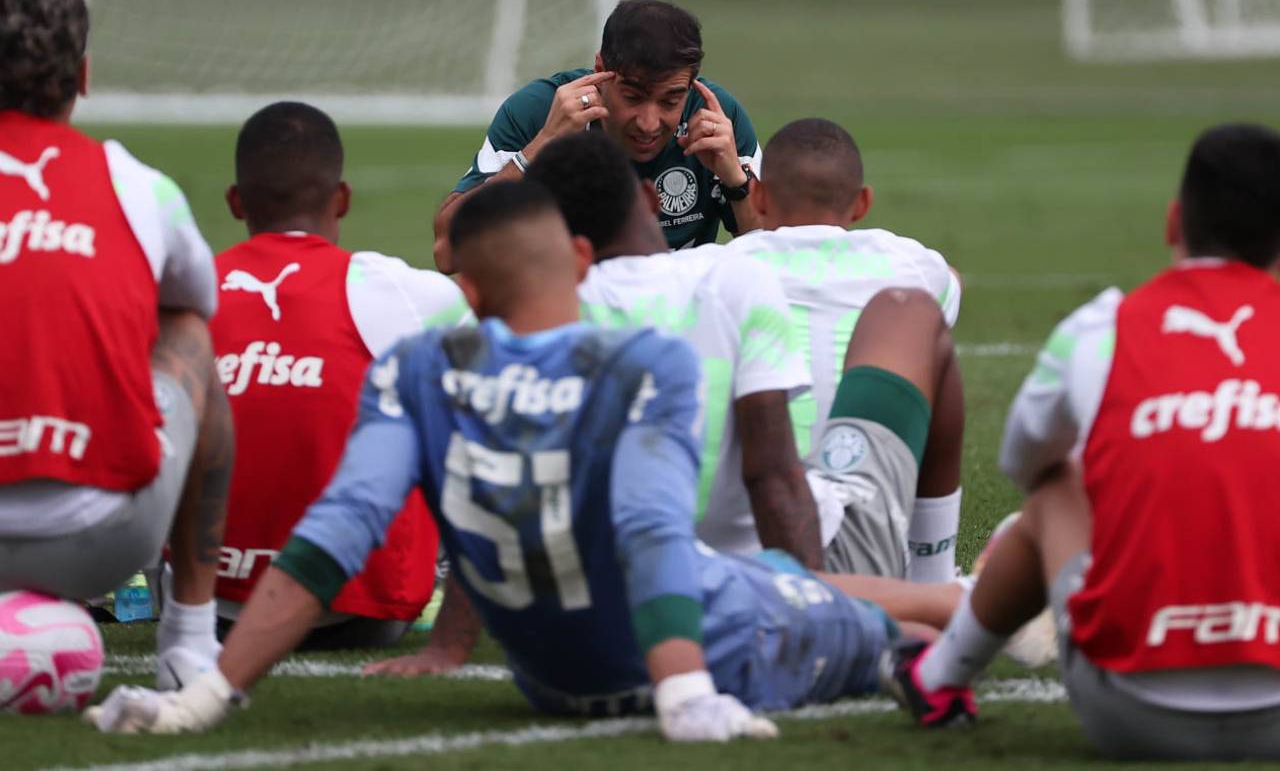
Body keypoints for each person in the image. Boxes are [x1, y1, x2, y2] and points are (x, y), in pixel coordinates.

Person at [86, 181, 965, 738]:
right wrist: (686, 690)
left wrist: (203, 694)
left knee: (773, 580)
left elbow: (336, 530)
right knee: (911, 635)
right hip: (708, 639)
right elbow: (651, 528)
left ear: (466, 291)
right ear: (581, 260)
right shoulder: (639, 363)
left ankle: (958, 596)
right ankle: (973, 605)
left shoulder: (422, 367)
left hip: (553, 676)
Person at [884, 123, 1280, 760]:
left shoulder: (1104, 326)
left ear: (1175, 221)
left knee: (1056, 486)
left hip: (1130, 712)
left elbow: (1024, 461)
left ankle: (938, 678)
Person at [371, 131, 817, 677]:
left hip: (578, 627)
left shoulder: (523, 312)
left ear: (552, 230)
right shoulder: (736, 277)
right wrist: (812, 612)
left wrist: (448, 648)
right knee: (905, 618)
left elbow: (492, 487)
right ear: (651, 201)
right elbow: (775, 475)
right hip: (729, 605)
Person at [0, 0, 229, 688]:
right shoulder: (136, 184)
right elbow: (200, 297)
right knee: (189, 331)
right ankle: (188, 641)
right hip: (97, 537)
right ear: (85, 75)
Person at [211, 101, 469, 649]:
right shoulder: (399, 290)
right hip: (361, 610)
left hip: (212, 605)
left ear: (236, 203)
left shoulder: (194, 289)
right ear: (342, 199)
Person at [728, 119, 964, 584]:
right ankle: (934, 577)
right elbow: (951, 284)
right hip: (859, 535)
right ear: (862, 203)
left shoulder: (711, 268)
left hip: (742, 541)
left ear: (757, 197)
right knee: (925, 323)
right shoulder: (907, 261)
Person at [432, 0, 762, 271]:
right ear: (600, 71)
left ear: (691, 85)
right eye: (633, 97)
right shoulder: (539, 111)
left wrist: (736, 181)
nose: (648, 123)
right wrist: (540, 146)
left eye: (670, 100)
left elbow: (778, 264)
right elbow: (448, 252)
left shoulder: (716, 119)